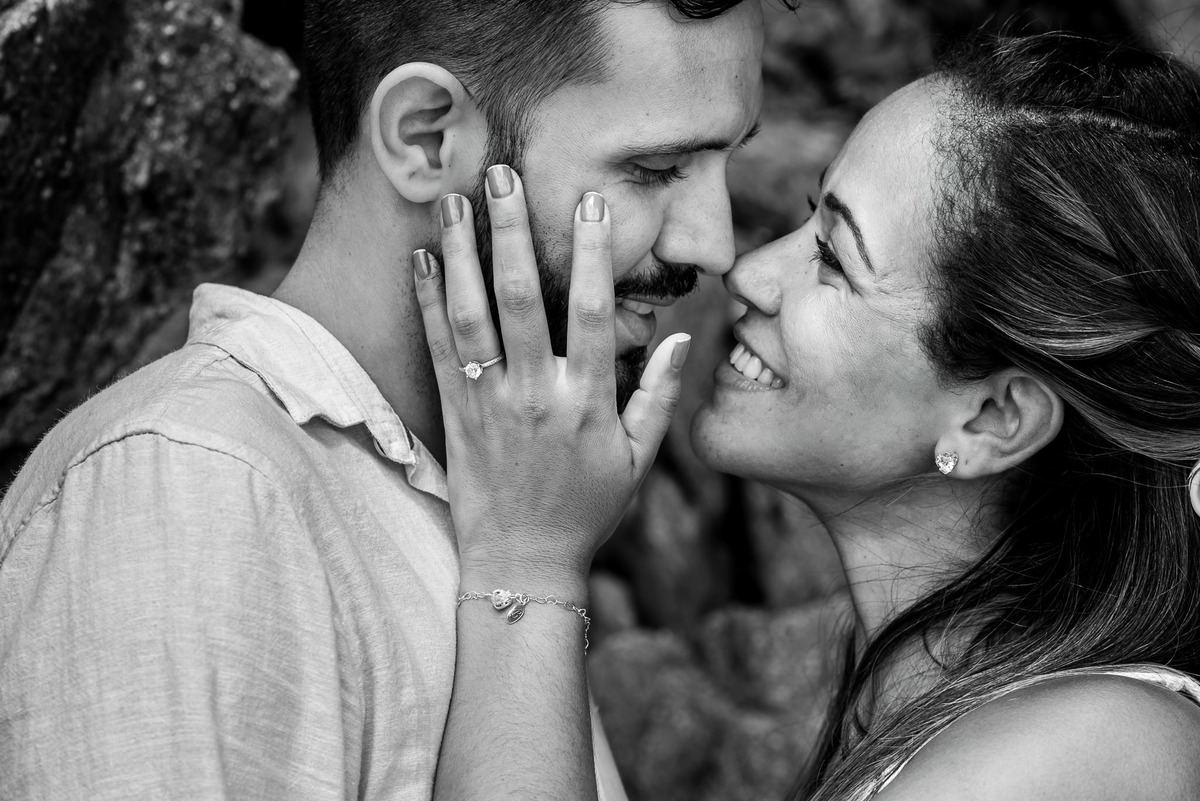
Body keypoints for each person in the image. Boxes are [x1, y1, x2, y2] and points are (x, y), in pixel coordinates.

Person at [0, 1, 780, 798]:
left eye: (728, 164)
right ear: (426, 138)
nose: (714, 245)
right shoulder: (186, 488)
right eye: (654, 169)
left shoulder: (505, 505)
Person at [417, 32, 1200, 800]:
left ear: (994, 417)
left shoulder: (1089, 746)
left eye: (833, 258)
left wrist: (528, 560)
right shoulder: (968, 714)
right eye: (805, 217)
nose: (749, 270)